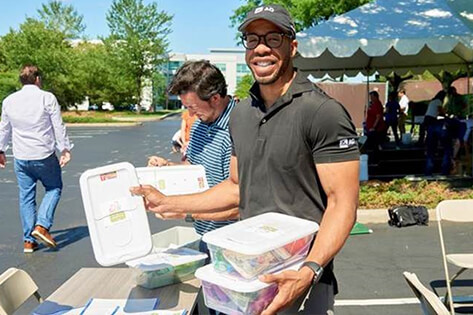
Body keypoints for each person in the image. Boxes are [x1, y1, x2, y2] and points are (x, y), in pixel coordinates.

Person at [132, 5, 359, 315]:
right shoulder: (242, 114)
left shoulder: (322, 112)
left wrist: (309, 271)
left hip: (300, 278)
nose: (261, 48)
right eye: (252, 39)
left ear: (292, 46)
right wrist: (168, 202)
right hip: (247, 274)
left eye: (272, 38)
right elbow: (236, 188)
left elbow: (342, 204)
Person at [147, 60, 239, 246]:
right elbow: (194, 168)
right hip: (205, 234)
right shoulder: (198, 125)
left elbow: (242, 200)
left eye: (193, 107)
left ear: (214, 98)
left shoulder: (240, 127)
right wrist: (167, 167)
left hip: (234, 240)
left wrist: (185, 212)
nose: (190, 114)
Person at [0, 65, 72, 253]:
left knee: (26, 196)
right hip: (43, 155)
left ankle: (28, 241)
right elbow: (58, 125)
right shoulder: (46, 98)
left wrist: (0, 150)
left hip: (21, 157)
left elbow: (4, 128)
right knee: (54, 187)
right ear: (37, 79)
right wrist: (64, 148)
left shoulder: (9, 101)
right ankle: (41, 226)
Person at [365, 91, 387, 160]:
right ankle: (375, 158)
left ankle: (376, 159)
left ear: (375, 97)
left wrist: (373, 127)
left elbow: (378, 116)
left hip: (376, 129)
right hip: (371, 127)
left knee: (375, 144)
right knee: (373, 144)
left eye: (372, 97)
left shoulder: (377, 104)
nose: (371, 98)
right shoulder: (373, 104)